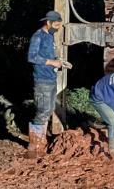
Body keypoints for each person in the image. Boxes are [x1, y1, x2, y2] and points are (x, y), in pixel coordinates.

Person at [27, 10, 72, 158]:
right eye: (56, 24)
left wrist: (60, 63)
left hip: (50, 78)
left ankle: (41, 142)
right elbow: (32, 57)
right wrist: (52, 62)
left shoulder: (50, 36)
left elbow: (49, 56)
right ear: (48, 23)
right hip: (42, 80)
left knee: (49, 108)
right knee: (43, 111)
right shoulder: (38, 36)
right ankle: (35, 145)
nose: (58, 27)